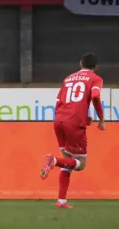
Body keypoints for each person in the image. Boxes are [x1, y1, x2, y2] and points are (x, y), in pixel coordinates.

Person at [40, 52, 106, 209]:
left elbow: (58, 102)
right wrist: (101, 119)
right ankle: (53, 161)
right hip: (74, 123)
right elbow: (95, 96)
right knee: (81, 164)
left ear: (80, 64)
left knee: (67, 162)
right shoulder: (96, 79)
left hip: (59, 120)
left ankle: (61, 201)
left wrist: (75, 116)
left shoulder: (68, 78)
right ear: (96, 67)